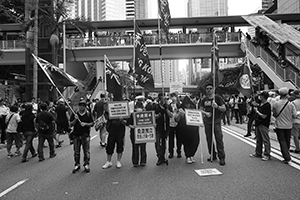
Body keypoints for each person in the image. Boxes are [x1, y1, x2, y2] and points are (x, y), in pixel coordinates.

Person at [199, 83, 226, 166]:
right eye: (207, 88)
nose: (209, 90)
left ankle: (221, 157)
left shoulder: (217, 98)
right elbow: (200, 110)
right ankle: (212, 155)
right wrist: (205, 113)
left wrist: (217, 106)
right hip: (207, 122)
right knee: (209, 139)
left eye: (210, 88)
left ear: (213, 89)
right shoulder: (204, 99)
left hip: (216, 121)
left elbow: (224, 108)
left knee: (219, 139)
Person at [273, 87, 297, 164]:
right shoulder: (291, 104)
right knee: (287, 140)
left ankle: (287, 157)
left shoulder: (276, 104)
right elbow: (294, 115)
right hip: (289, 125)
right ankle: (287, 154)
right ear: (287, 95)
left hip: (279, 125)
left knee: (282, 141)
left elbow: (274, 114)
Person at [69, 100, 94, 173]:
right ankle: (77, 164)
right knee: (76, 151)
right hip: (76, 135)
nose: (81, 107)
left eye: (83, 106)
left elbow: (92, 123)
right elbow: (71, 124)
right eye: (80, 105)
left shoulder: (88, 114)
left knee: (86, 151)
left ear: (85, 107)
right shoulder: (75, 114)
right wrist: (75, 119)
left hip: (85, 135)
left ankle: (86, 164)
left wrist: (85, 124)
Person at [175, 96, 199, 164]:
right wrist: (180, 114)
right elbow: (176, 119)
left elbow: (198, 117)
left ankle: (192, 154)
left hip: (194, 129)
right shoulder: (180, 110)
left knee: (196, 142)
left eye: (188, 103)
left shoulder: (194, 109)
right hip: (184, 129)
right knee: (187, 143)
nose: (187, 105)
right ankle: (188, 156)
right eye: (185, 103)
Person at [250, 91, 272, 161]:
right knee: (258, 139)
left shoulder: (267, 105)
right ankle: (258, 152)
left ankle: (267, 154)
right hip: (258, 123)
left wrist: (257, 112)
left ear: (263, 97)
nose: (259, 97)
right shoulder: (260, 104)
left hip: (263, 124)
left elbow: (264, 116)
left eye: (260, 96)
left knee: (265, 140)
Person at [126, 103, 147, 167]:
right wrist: (132, 126)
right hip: (134, 133)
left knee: (143, 147)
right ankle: (135, 162)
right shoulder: (132, 115)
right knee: (135, 147)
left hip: (142, 133)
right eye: (138, 107)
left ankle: (143, 161)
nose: (139, 109)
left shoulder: (145, 115)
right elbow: (128, 123)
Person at [154, 93, 172, 166]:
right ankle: (159, 156)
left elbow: (171, 115)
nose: (164, 100)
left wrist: (166, 109)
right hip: (158, 127)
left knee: (164, 142)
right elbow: (152, 116)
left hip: (166, 127)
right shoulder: (155, 106)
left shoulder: (168, 106)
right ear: (159, 99)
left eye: (165, 99)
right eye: (162, 99)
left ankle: (163, 157)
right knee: (157, 143)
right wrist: (157, 116)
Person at [168, 93, 182, 159]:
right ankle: (171, 152)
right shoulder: (169, 105)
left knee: (179, 138)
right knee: (171, 139)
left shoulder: (180, 105)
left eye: (174, 96)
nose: (173, 98)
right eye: (172, 96)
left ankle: (179, 151)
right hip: (171, 124)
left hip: (178, 124)